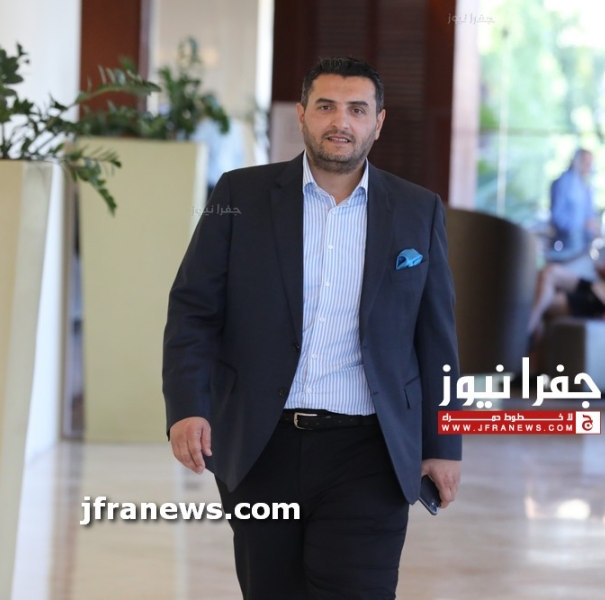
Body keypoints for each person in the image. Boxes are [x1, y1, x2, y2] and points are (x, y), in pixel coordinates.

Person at [162, 56, 462, 599]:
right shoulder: (239, 196)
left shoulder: (418, 210)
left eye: (357, 109)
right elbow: (194, 310)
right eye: (326, 106)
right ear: (301, 114)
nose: (340, 122)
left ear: (378, 122)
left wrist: (443, 443)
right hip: (262, 445)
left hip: (371, 449)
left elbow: (436, 337)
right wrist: (188, 406)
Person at [527, 242, 605, 337]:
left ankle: (526, 333)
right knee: (550, 271)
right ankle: (530, 330)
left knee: (540, 301)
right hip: (600, 287)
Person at [549, 148, 599, 258]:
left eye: (590, 163)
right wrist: (581, 224)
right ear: (577, 161)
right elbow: (557, 217)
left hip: (583, 246)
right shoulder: (564, 182)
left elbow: (589, 213)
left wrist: (593, 224)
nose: (589, 166)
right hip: (567, 246)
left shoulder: (585, 184)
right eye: (586, 162)